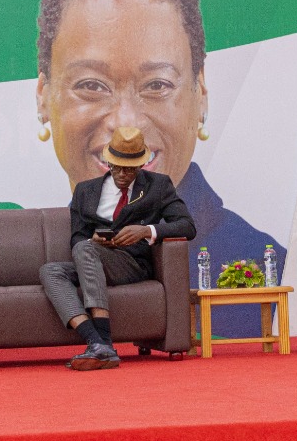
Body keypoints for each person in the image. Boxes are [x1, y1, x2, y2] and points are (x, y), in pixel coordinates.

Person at [34, 0, 282, 338]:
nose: (127, 123)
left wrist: (146, 233)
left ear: (200, 96)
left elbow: (180, 224)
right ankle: (95, 338)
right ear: (44, 98)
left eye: (157, 85)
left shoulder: (259, 261)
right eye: (91, 85)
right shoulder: (85, 198)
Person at [39, 125, 196, 370]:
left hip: (131, 264)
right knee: (51, 270)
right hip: (92, 261)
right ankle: (97, 343)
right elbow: (77, 237)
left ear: (141, 165)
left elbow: (187, 226)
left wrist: (146, 231)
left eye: (130, 169)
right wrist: (94, 239)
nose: (122, 174)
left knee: (84, 250)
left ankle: (102, 342)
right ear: (108, 162)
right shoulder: (85, 191)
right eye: (117, 167)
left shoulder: (158, 186)